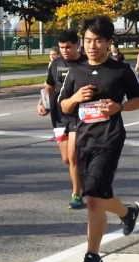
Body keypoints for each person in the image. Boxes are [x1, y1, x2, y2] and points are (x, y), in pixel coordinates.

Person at [59, 16, 139, 262]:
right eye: (87, 40)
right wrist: (75, 98)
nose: (92, 45)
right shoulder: (75, 71)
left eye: (98, 40)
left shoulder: (121, 69)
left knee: (94, 197)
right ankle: (127, 212)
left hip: (110, 138)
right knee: (96, 191)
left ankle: (92, 256)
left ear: (109, 42)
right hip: (84, 138)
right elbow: (63, 106)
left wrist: (119, 107)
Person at [39, 30, 87, 209]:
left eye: (68, 47)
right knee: (67, 159)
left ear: (77, 45)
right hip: (59, 117)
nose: (65, 51)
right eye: (61, 48)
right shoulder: (56, 63)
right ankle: (85, 171)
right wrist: (41, 103)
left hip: (78, 114)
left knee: (73, 156)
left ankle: (76, 194)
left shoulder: (86, 63)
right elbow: (50, 86)